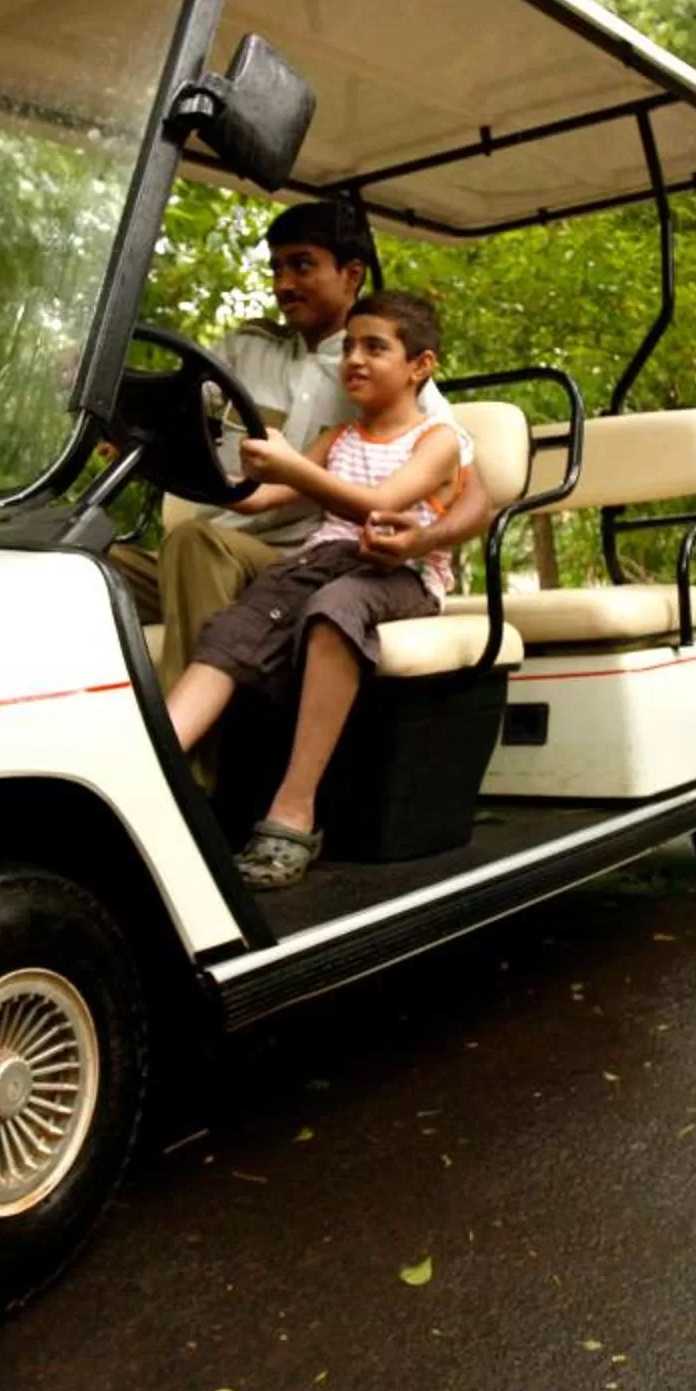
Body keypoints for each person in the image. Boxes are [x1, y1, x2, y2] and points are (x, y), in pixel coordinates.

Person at [112, 199, 487, 681]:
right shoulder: (244, 349)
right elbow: (170, 411)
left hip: (293, 560)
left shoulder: (386, 378)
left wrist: (423, 541)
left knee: (194, 544)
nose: (283, 284)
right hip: (208, 549)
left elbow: (474, 498)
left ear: (351, 275)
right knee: (82, 563)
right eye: (277, 268)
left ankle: (187, 755)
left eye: (302, 265)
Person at [164, 291, 460, 889]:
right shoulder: (341, 436)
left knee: (333, 610)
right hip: (318, 562)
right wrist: (190, 466)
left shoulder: (438, 440)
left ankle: (294, 811)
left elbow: (382, 504)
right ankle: (156, 770)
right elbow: (266, 496)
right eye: (350, 346)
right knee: (233, 629)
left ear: (419, 367)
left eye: (375, 347)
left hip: (397, 574)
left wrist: (295, 468)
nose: (354, 358)